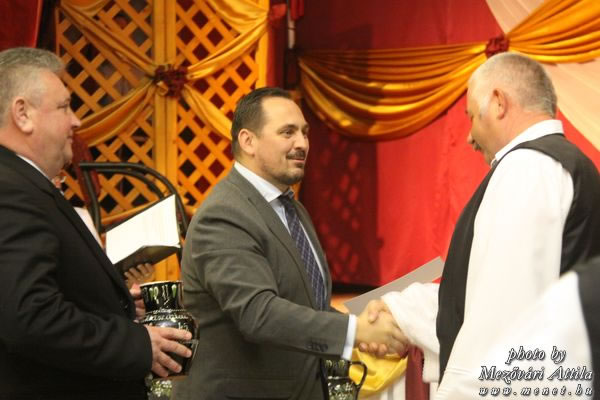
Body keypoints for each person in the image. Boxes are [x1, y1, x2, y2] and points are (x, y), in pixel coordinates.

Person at [363, 52, 600, 399]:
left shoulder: (527, 168)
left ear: (499, 102)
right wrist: (398, 312)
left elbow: (501, 315)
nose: (470, 137)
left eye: (472, 116)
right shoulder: (564, 165)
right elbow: (482, 294)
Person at [171, 87, 405, 400]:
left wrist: (361, 328)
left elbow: (305, 307)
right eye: (287, 132)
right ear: (248, 141)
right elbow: (258, 314)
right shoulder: (224, 214)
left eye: (305, 133)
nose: (302, 143)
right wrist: (355, 331)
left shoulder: (290, 208)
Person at [0, 47, 192, 399]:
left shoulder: (23, 184)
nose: (76, 121)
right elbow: (29, 317)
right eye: (64, 107)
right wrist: (137, 344)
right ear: (22, 114)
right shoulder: (11, 190)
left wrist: (114, 302)